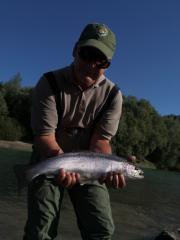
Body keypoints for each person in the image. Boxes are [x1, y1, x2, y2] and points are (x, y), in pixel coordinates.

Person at [23, 22, 126, 240]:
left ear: (108, 65)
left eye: (101, 61)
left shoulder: (113, 96)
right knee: (41, 231)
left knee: (102, 229)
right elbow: (44, 137)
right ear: (74, 50)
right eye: (87, 54)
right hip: (49, 157)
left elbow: (101, 141)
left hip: (90, 164)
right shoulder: (49, 83)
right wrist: (62, 164)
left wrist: (107, 168)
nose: (92, 65)